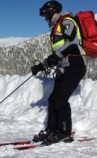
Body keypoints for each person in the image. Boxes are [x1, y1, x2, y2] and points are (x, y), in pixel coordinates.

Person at [31, 1, 86, 145]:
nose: (44, 19)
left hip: (75, 65)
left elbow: (73, 43)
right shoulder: (57, 26)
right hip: (65, 67)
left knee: (60, 101)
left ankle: (64, 133)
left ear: (51, 12)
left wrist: (54, 58)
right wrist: (42, 66)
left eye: (45, 15)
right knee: (53, 100)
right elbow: (58, 53)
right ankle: (52, 129)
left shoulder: (67, 21)